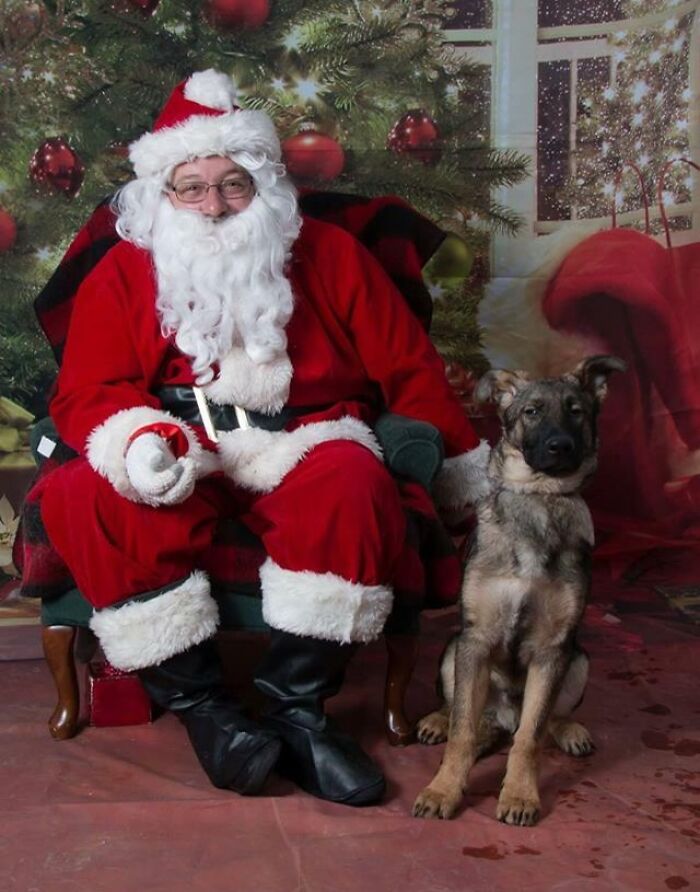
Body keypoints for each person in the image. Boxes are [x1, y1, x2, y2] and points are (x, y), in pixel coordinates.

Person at [39, 69, 489, 807]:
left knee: (354, 481)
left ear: (264, 185)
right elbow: (87, 389)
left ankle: (297, 711)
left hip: (306, 437)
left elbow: (406, 366)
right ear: (164, 192)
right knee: (89, 492)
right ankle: (209, 713)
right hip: (182, 442)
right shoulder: (126, 268)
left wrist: (463, 464)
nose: (213, 205)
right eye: (192, 187)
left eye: (233, 184)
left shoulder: (331, 255)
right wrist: (140, 440)